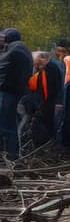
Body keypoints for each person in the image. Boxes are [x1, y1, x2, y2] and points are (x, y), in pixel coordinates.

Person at [0, 28, 32, 161]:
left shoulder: (14, 50)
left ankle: (9, 155)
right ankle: (11, 155)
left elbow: (2, 69)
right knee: (11, 125)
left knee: (6, 126)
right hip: (17, 93)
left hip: (9, 93)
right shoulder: (22, 49)